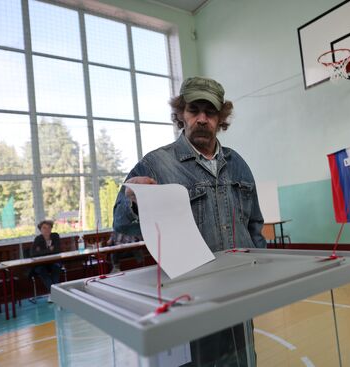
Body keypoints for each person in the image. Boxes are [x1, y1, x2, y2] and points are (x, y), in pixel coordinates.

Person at [113, 76, 266, 366]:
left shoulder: (238, 164)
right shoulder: (155, 164)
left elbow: (254, 226)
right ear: (181, 114)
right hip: (190, 298)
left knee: (244, 360)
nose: (202, 119)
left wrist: (262, 280)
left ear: (221, 118)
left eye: (210, 113)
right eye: (194, 110)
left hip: (239, 292)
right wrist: (132, 201)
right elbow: (121, 224)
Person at [31, 220, 62, 302]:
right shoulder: (38, 239)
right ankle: (55, 294)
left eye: (49, 227)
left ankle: (53, 295)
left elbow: (58, 250)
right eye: (44, 228)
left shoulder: (55, 236)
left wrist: (41, 251)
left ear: (51, 229)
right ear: (40, 230)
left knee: (56, 269)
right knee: (42, 271)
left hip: (54, 262)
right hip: (41, 264)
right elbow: (33, 253)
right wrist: (49, 249)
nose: (47, 230)